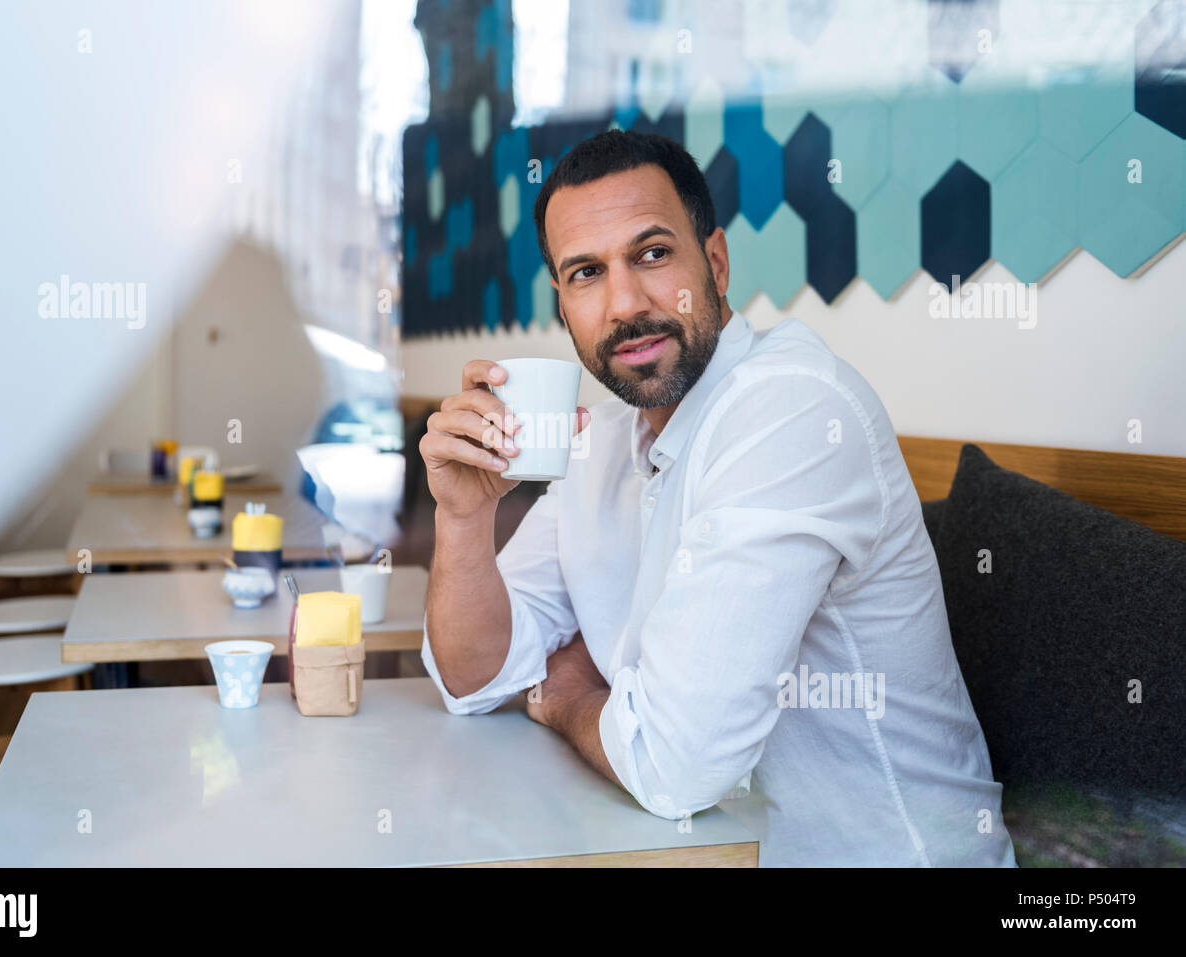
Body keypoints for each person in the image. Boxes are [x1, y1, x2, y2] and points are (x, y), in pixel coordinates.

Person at [417, 129, 1015, 867]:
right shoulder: (602, 437)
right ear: (563, 305)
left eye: (653, 254)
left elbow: (676, 764)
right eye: (586, 273)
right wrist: (464, 518)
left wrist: (568, 692)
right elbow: (474, 677)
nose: (625, 303)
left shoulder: (791, 411)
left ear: (718, 263)